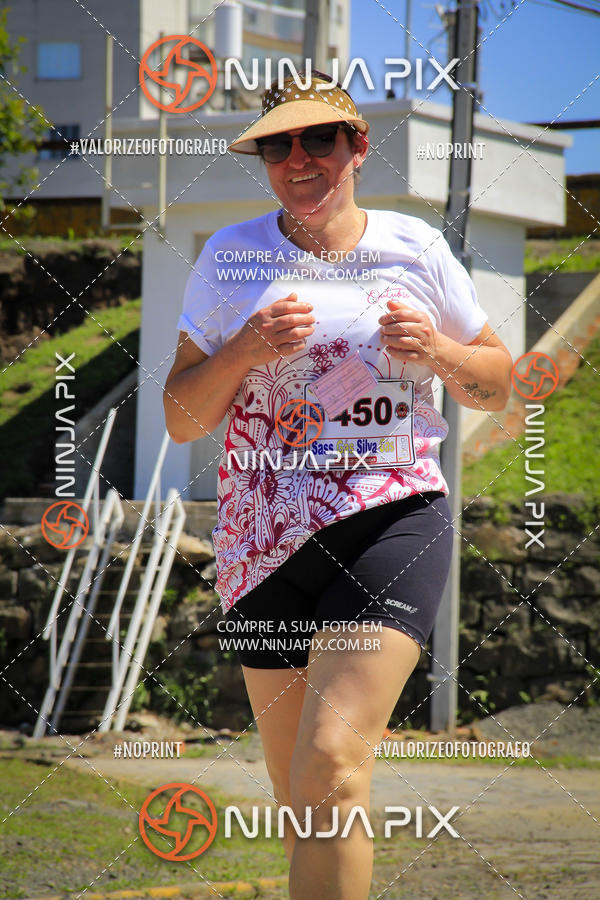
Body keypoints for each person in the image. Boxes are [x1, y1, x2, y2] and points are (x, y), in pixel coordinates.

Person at [164, 72, 512, 900]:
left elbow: (499, 382)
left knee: (331, 763)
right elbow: (182, 418)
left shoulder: (416, 249)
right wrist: (243, 349)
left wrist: (442, 356)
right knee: (304, 802)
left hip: (390, 515)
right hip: (262, 540)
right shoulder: (232, 256)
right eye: (277, 145)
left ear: (356, 147)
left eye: (318, 138)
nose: (297, 158)